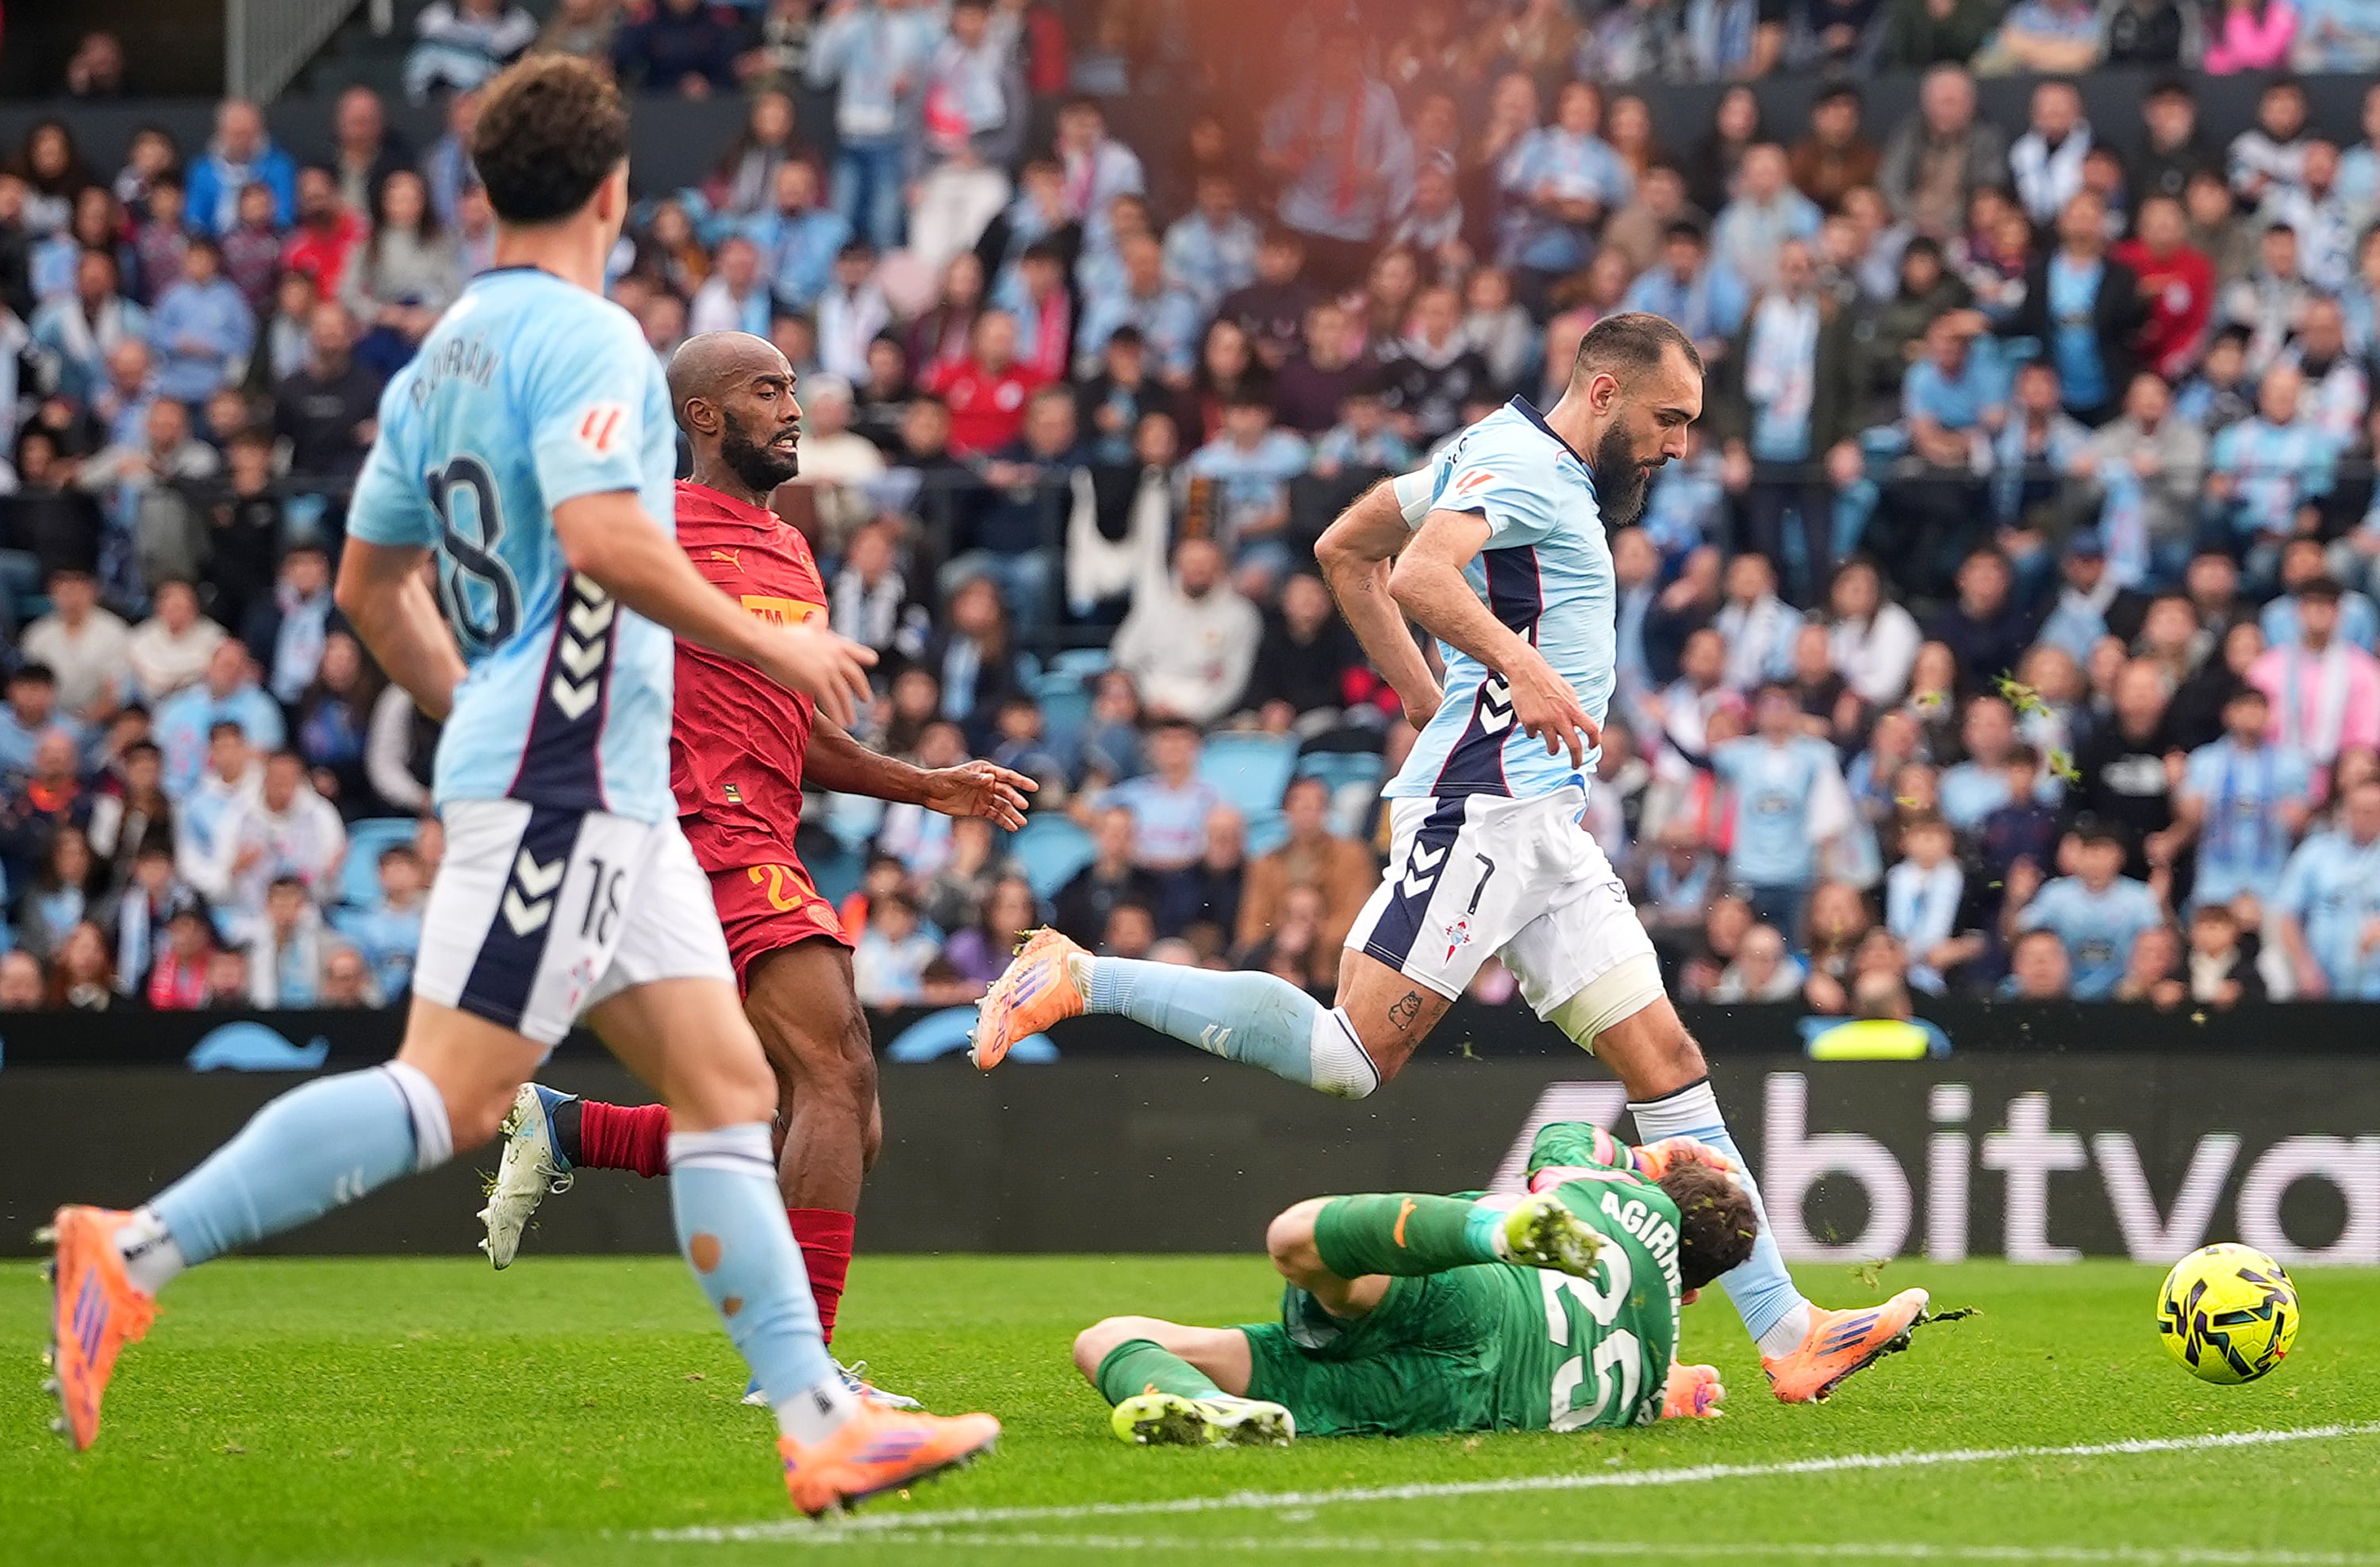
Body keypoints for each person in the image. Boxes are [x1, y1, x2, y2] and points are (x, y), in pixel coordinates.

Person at [38, 57, 996, 1512]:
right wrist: (774, 651)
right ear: (613, 191)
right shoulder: (597, 343)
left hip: (582, 774)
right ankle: (135, 1249)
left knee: (743, 1088)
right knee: (450, 1094)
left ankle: (815, 1416)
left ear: (480, 192)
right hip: (567, 784)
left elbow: (370, 590)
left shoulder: (434, 363)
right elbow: (614, 546)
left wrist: (475, 695)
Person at [973, 314, 1930, 1404]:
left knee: (1666, 1061)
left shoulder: (1499, 453)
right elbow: (1422, 575)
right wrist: (1511, 671)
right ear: (1607, 394)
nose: (1680, 445)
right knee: (1349, 1058)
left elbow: (1347, 547)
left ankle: (1789, 1330)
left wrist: (1438, 702)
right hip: (1481, 812)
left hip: (1539, 823)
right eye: (1669, 420)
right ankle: (1079, 972)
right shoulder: (1522, 463)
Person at [474, 328, 1033, 1396]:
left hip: (755, 833)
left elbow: (804, 737)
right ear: (703, 417)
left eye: (794, 389)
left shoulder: (789, 552)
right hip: (688, 831)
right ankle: (799, 1367)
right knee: (838, 1069)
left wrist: (930, 783)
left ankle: (570, 1127)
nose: (793, 407)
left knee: (831, 1117)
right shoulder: (656, 529)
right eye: (765, 389)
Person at [1074, 1123, 1757, 1446]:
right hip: (1461, 1401)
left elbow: (1561, 1138)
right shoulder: (1658, 1333)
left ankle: (1492, 1232)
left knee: (1294, 1237)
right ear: (1693, 1291)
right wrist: (1671, 1388)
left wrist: (1645, 1155)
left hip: (1487, 1295)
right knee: (1106, 1340)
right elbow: (1655, 1380)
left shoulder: (1624, 1198)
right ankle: (1209, 1408)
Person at [2016, 824, 2166, 998]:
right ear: (2079, 856)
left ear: (2120, 856)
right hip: (2063, 990)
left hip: (2125, 991)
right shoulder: (2055, 894)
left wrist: (2163, 905)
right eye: (2091, 853)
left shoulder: (2139, 897)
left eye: (2105, 853)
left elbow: (2159, 946)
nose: (2097, 862)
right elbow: (2017, 936)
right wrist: (2016, 900)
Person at [2271, 778, 2380, 998]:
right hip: (2320, 984)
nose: (2363, 817)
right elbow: (2286, 914)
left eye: (2371, 811)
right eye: (2357, 810)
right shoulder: (2315, 853)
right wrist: (2304, 967)